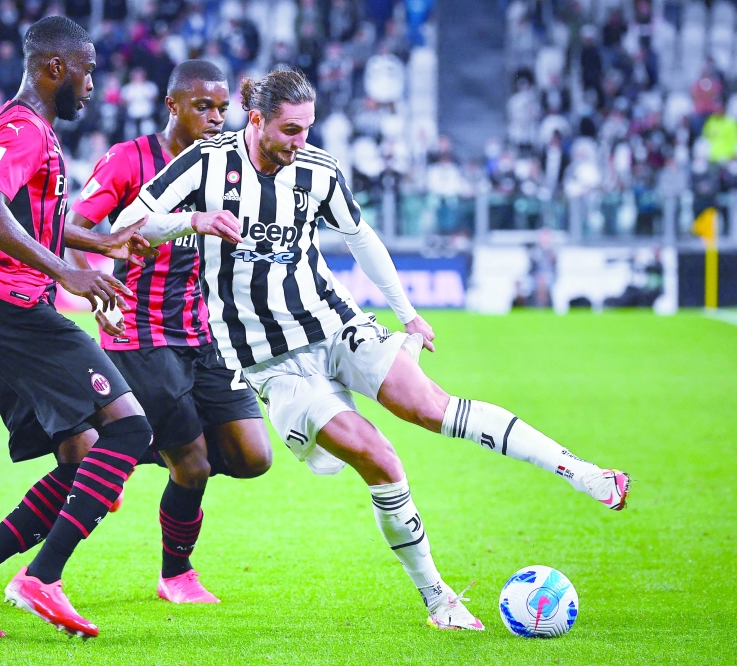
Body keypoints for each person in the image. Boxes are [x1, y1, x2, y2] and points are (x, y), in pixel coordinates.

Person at [112, 68, 631, 631]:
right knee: (380, 458)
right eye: (290, 130)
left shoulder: (318, 169)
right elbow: (129, 223)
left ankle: (582, 473)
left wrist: (406, 312)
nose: (300, 142)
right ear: (256, 120)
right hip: (271, 361)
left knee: (434, 408)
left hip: (335, 324)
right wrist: (192, 220)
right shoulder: (207, 162)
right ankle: (438, 599)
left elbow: (360, 236)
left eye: (308, 128)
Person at [0, 16, 157, 640]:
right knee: (130, 429)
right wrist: (67, 273)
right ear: (56, 67)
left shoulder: (32, 128)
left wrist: (102, 243)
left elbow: (37, 219)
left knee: (82, 460)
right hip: (14, 309)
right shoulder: (23, 129)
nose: (93, 85)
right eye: (87, 71)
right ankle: (41, 578)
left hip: (7, 310)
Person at [66, 59, 271, 604]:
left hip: (204, 332)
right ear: (172, 105)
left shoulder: (228, 167)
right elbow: (75, 229)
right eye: (204, 106)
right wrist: (94, 291)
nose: (216, 118)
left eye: (222, 108)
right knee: (193, 464)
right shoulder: (128, 159)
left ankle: (112, 451)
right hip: (140, 333)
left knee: (252, 456)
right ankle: (176, 575)